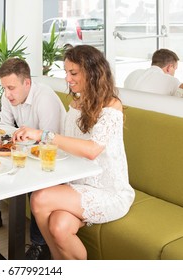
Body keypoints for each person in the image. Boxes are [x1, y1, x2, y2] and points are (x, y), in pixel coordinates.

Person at [13, 45, 135, 260]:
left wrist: (42, 134)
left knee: (39, 199)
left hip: (109, 191)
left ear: (92, 72)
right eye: (66, 72)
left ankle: (55, 261)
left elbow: (91, 150)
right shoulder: (76, 104)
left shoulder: (112, 106)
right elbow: (67, 146)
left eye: (74, 73)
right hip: (78, 185)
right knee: (59, 226)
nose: (68, 79)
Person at [0, 57, 66, 260]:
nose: (7, 94)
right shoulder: (9, 96)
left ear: (27, 83)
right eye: (4, 88)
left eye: (11, 88)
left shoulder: (45, 99)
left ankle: (40, 245)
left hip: (53, 157)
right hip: (26, 149)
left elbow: (49, 141)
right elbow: (6, 128)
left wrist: (16, 145)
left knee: (36, 183)